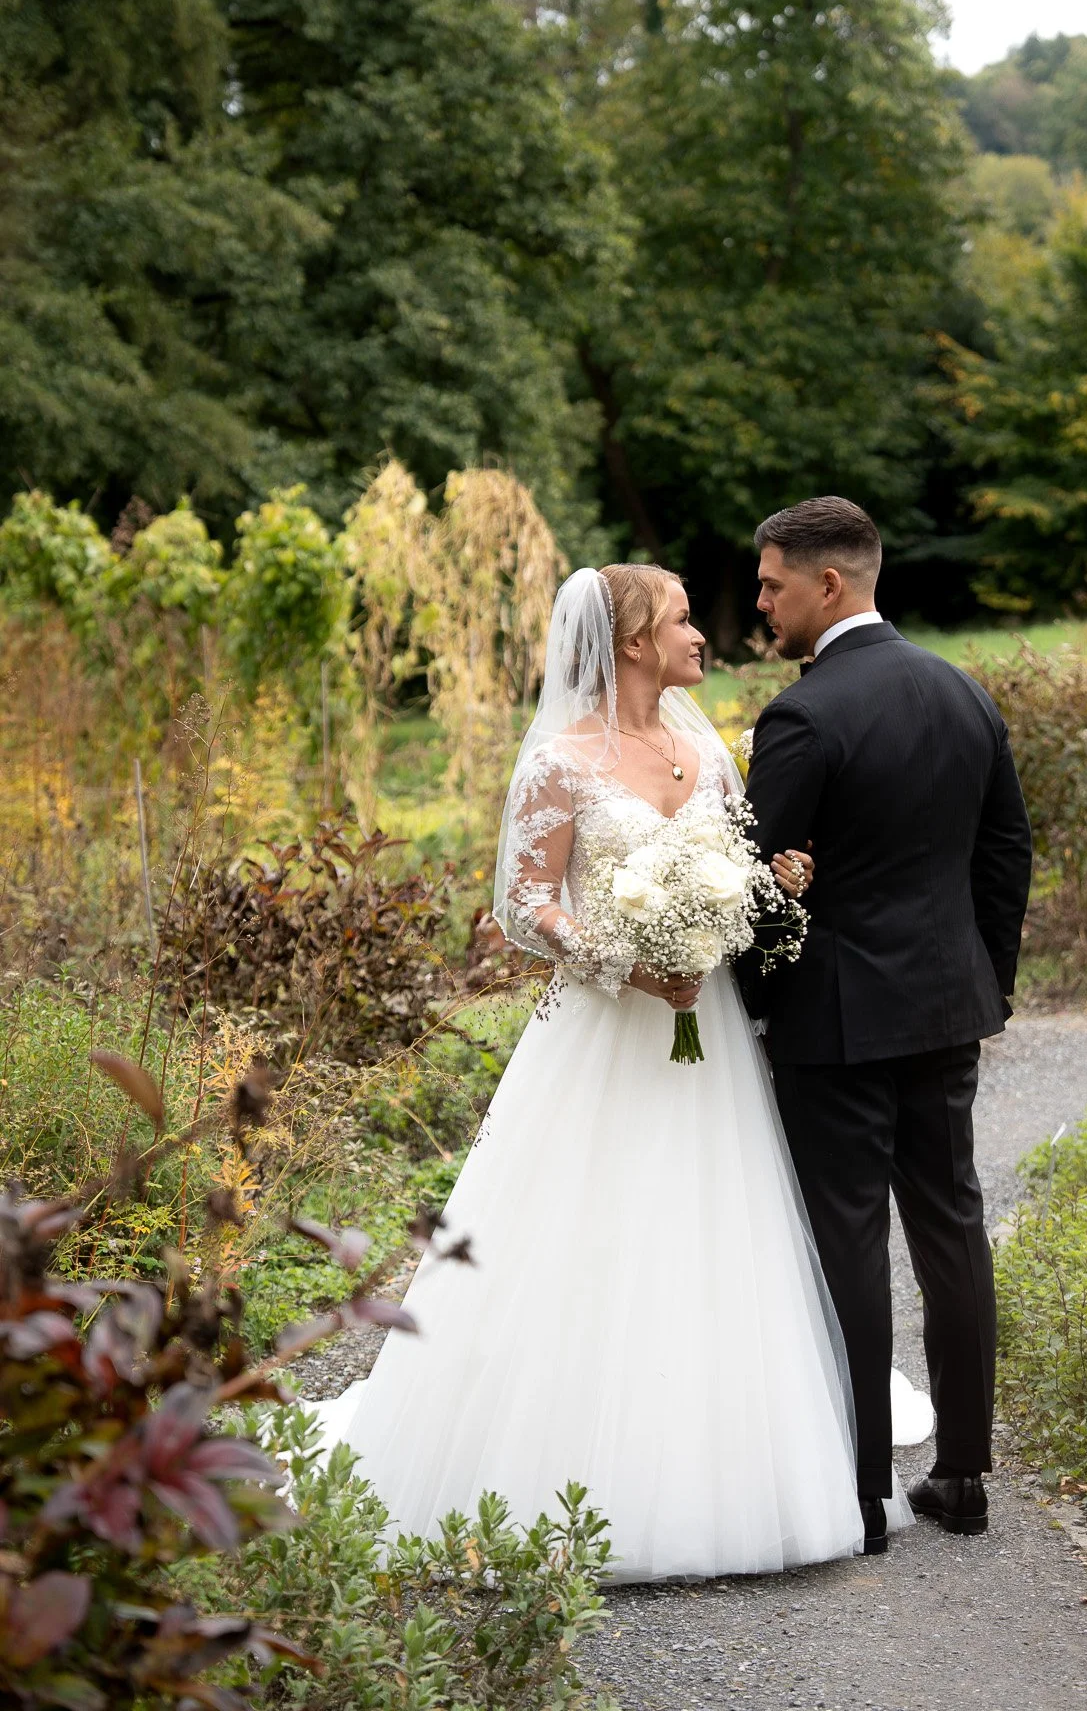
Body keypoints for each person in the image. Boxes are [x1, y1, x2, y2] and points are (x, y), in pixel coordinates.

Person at [307, 562, 921, 1580]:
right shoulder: (559, 761)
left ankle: (718, 1464)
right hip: (599, 1029)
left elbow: (739, 866)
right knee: (580, 1230)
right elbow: (523, 902)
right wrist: (622, 958)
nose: (701, 633)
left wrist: (762, 891)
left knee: (709, 1227)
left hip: (705, 1034)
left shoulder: (705, 750)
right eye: (682, 617)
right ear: (632, 638)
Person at [740, 497, 1033, 1542]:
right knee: (953, 1226)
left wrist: (751, 1008)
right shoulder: (964, 692)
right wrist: (978, 981)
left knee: (849, 1239)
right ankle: (960, 1477)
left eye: (773, 582)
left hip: (837, 1023)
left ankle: (860, 1493)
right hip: (947, 1007)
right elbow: (1006, 857)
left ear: (830, 584)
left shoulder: (803, 716)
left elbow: (748, 888)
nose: (760, 600)